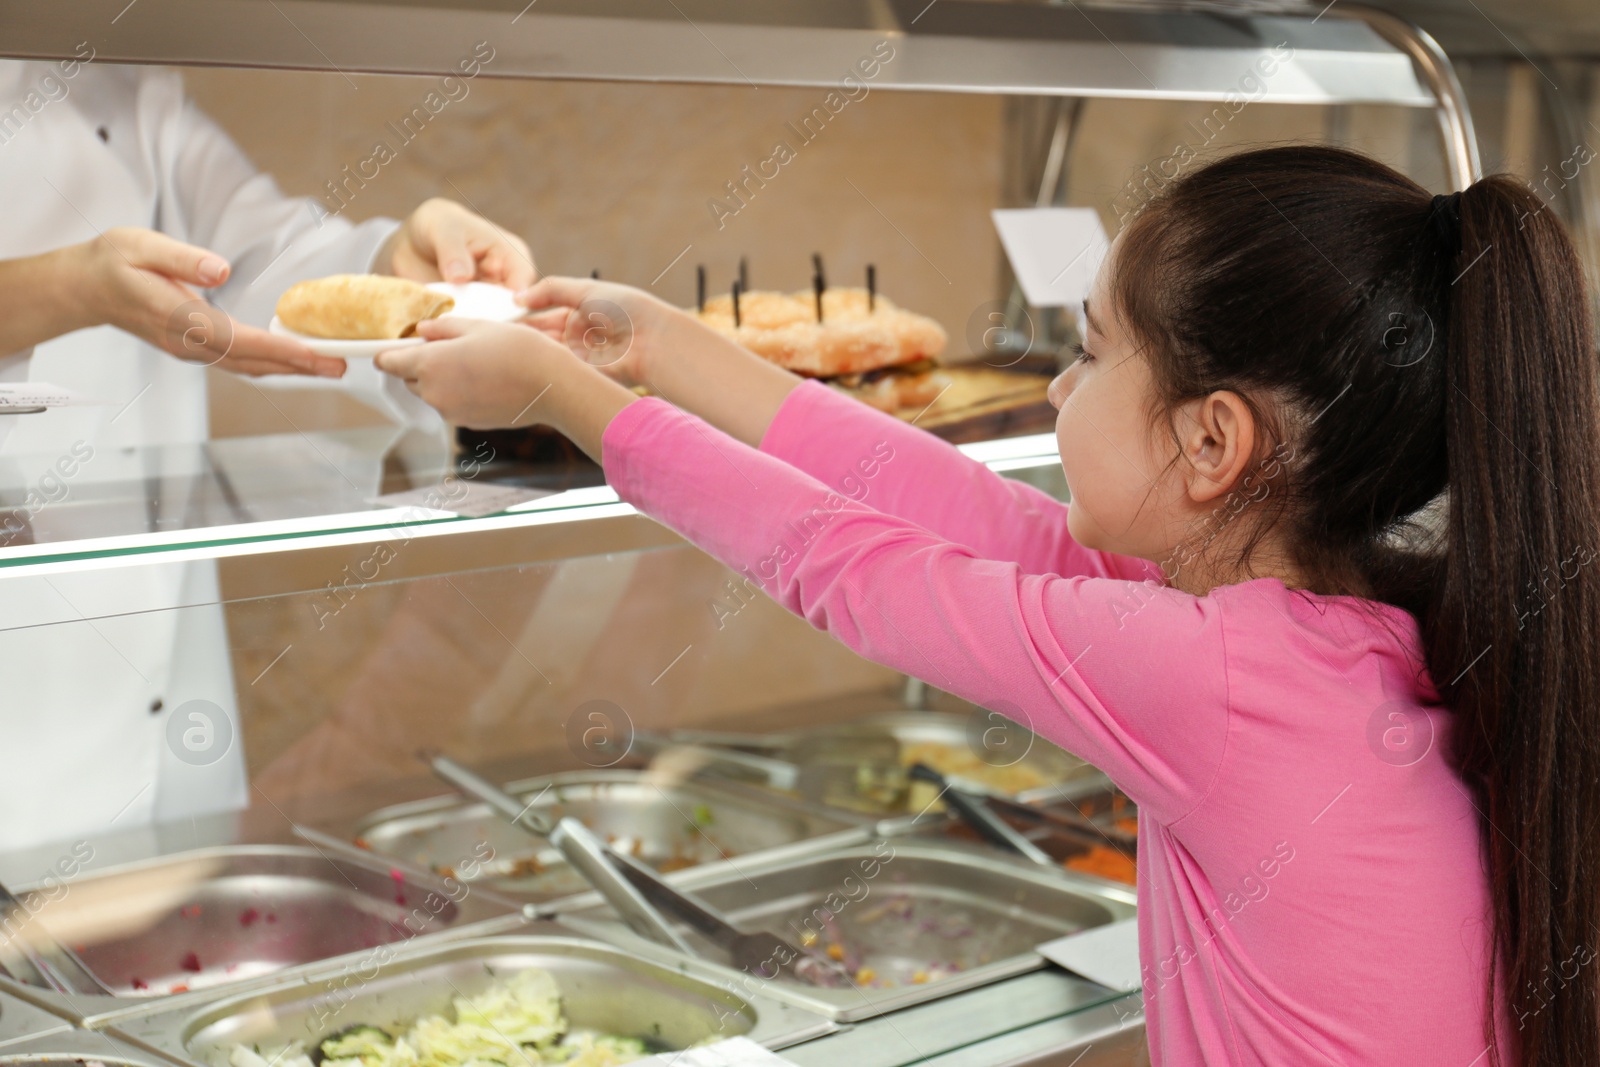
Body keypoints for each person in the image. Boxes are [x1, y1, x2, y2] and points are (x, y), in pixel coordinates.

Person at [379, 144, 1600, 1064]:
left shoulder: (1210, 676)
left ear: (1214, 439)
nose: (1061, 382)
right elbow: (951, 504)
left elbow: (853, 567)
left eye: (1089, 347)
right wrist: (659, 345)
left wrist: (563, 399)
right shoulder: (1335, 625)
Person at [0, 57, 532, 854]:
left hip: (164, 712)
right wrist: (73, 285)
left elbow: (258, 262)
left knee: (172, 955)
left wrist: (398, 265)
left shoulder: (120, 81)